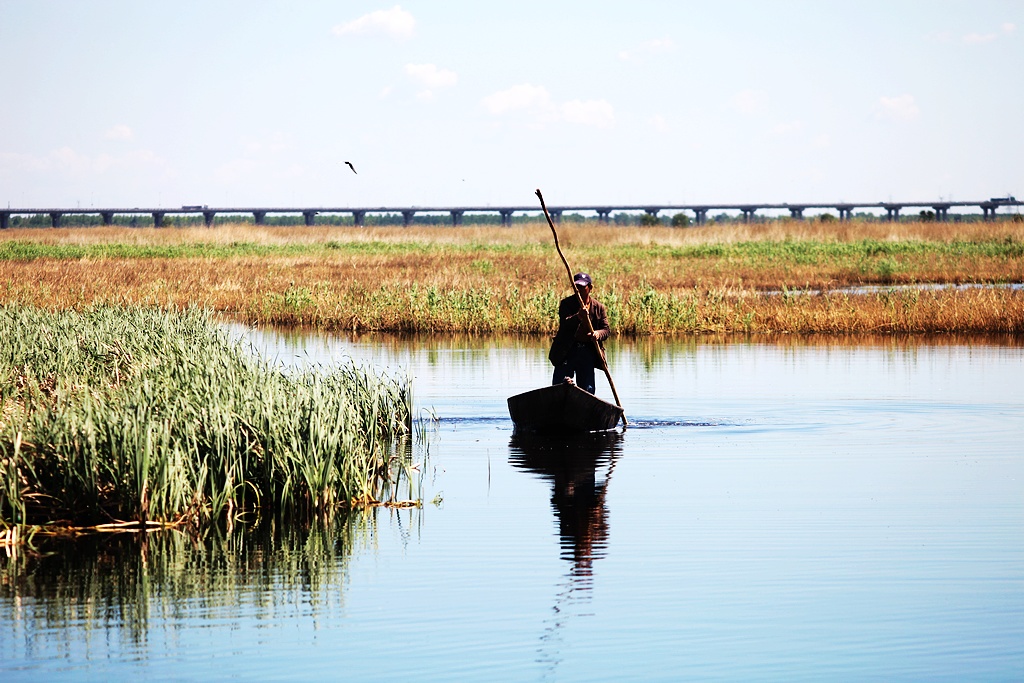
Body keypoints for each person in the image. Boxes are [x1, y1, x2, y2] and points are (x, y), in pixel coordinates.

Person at [549, 272, 610, 395]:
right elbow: (565, 324)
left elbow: (606, 330)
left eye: (583, 287)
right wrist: (578, 316)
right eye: (577, 287)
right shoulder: (566, 304)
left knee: (587, 390)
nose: (579, 290)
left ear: (590, 288)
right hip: (567, 351)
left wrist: (597, 334)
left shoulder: (598, 307)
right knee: (561, 386)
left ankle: (585, 411)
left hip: (587, 352)